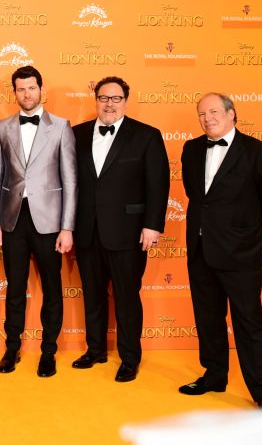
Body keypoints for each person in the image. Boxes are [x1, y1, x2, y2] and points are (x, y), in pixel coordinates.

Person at [178, 93, 262, 408]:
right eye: (201, 113)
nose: (207, 118)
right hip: (200, 249)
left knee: (249, 323)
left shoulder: (259, 153)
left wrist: (248, 235)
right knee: (208, 318)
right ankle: (214, 376)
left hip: (239, 254)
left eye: (213, 111)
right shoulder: (192, 149)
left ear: (231, 114)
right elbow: (197, 196)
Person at [71, 76, 169, 383]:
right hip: (87, 230)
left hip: (128, 232)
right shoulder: (77, 134)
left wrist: (152, 225)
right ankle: (96, 349)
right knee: (93, 295)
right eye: (103, 98)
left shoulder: (146, 136)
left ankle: (129, 358)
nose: (109, 103)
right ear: (96, 99)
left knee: (127, 297)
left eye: (115, 98)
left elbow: (157, 183)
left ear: (126, 101)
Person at [0, 66, 76, 378]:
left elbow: (70, 179)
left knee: (53, 289)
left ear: (41, 89)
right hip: (13, 221)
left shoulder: (62, 127)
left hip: (50, 222)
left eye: (31, 88)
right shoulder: (1, 127)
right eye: (20, 89)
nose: (26, 94)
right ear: (14, 92)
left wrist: (67, 227)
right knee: (15, 288)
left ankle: (48, 352)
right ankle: (11, 348)